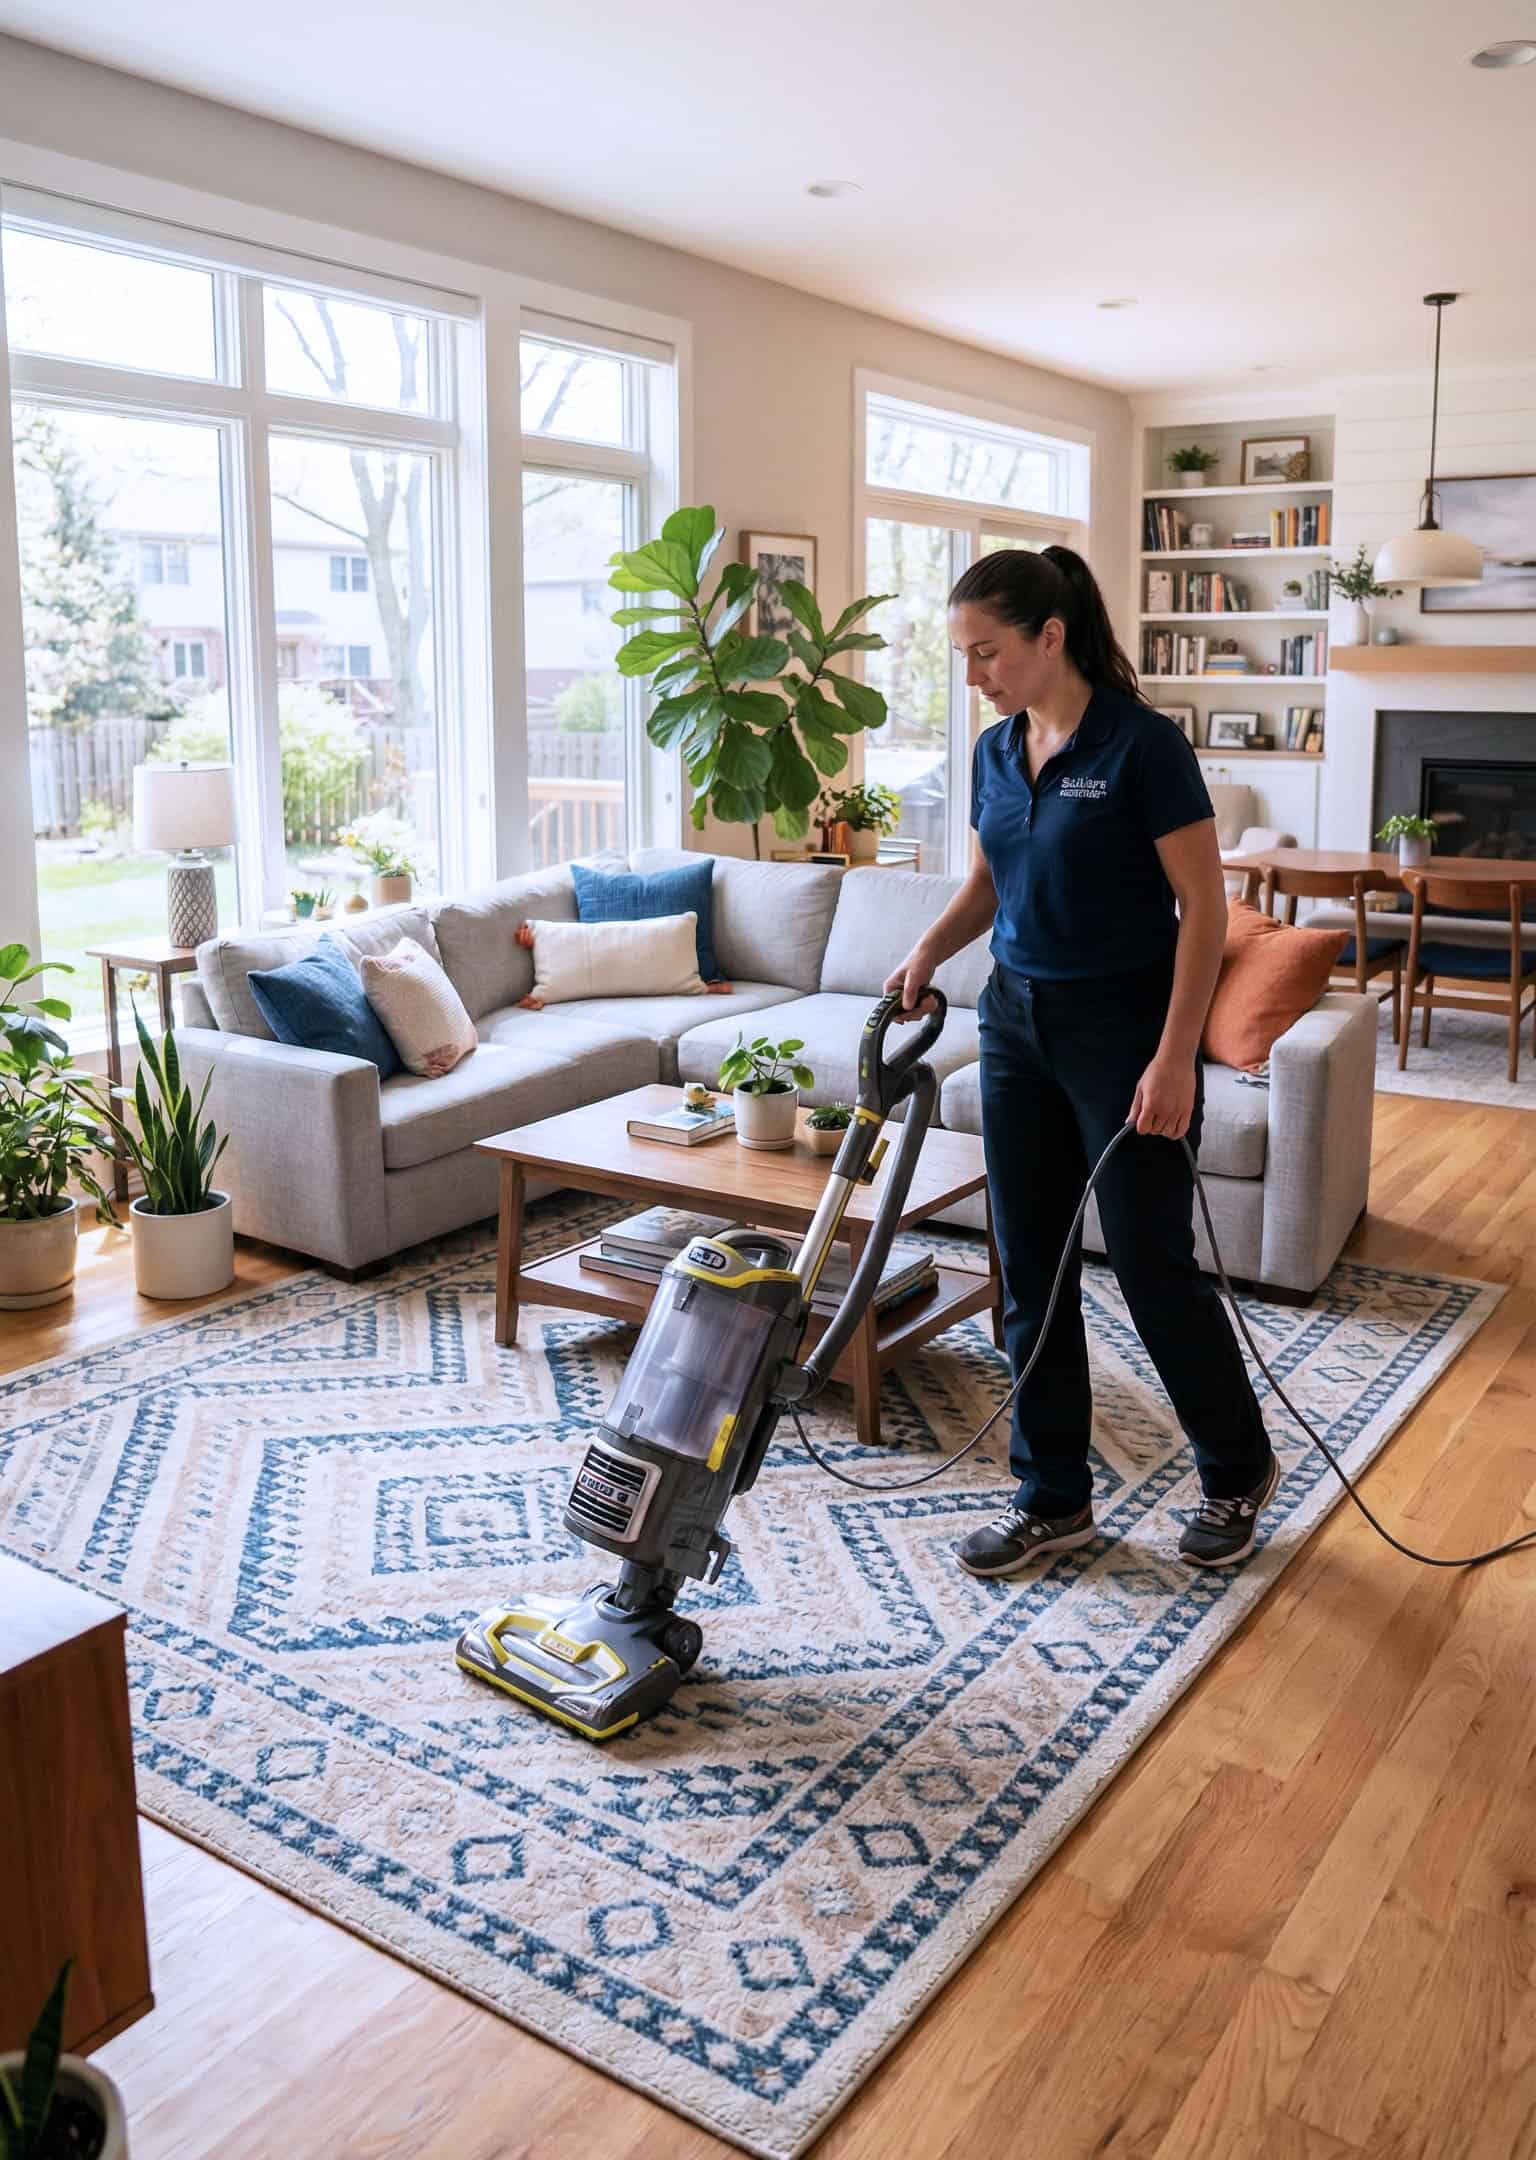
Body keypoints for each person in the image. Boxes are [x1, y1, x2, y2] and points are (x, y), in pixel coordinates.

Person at [884, 544, 1276, 1574]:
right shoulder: (993, 751)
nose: (975, 674)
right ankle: (1052, 1494)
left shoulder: (1142, 748)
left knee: (1151, 1268)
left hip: (1124, 1030)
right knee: (1033, 1268)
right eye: (965, 655)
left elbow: (1205, 909)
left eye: (988, 651)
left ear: (1049, 636)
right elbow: (988, 883)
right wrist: (926, 950)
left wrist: (1178, 1056)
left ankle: (1236, 1470)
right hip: (1015, 1022)